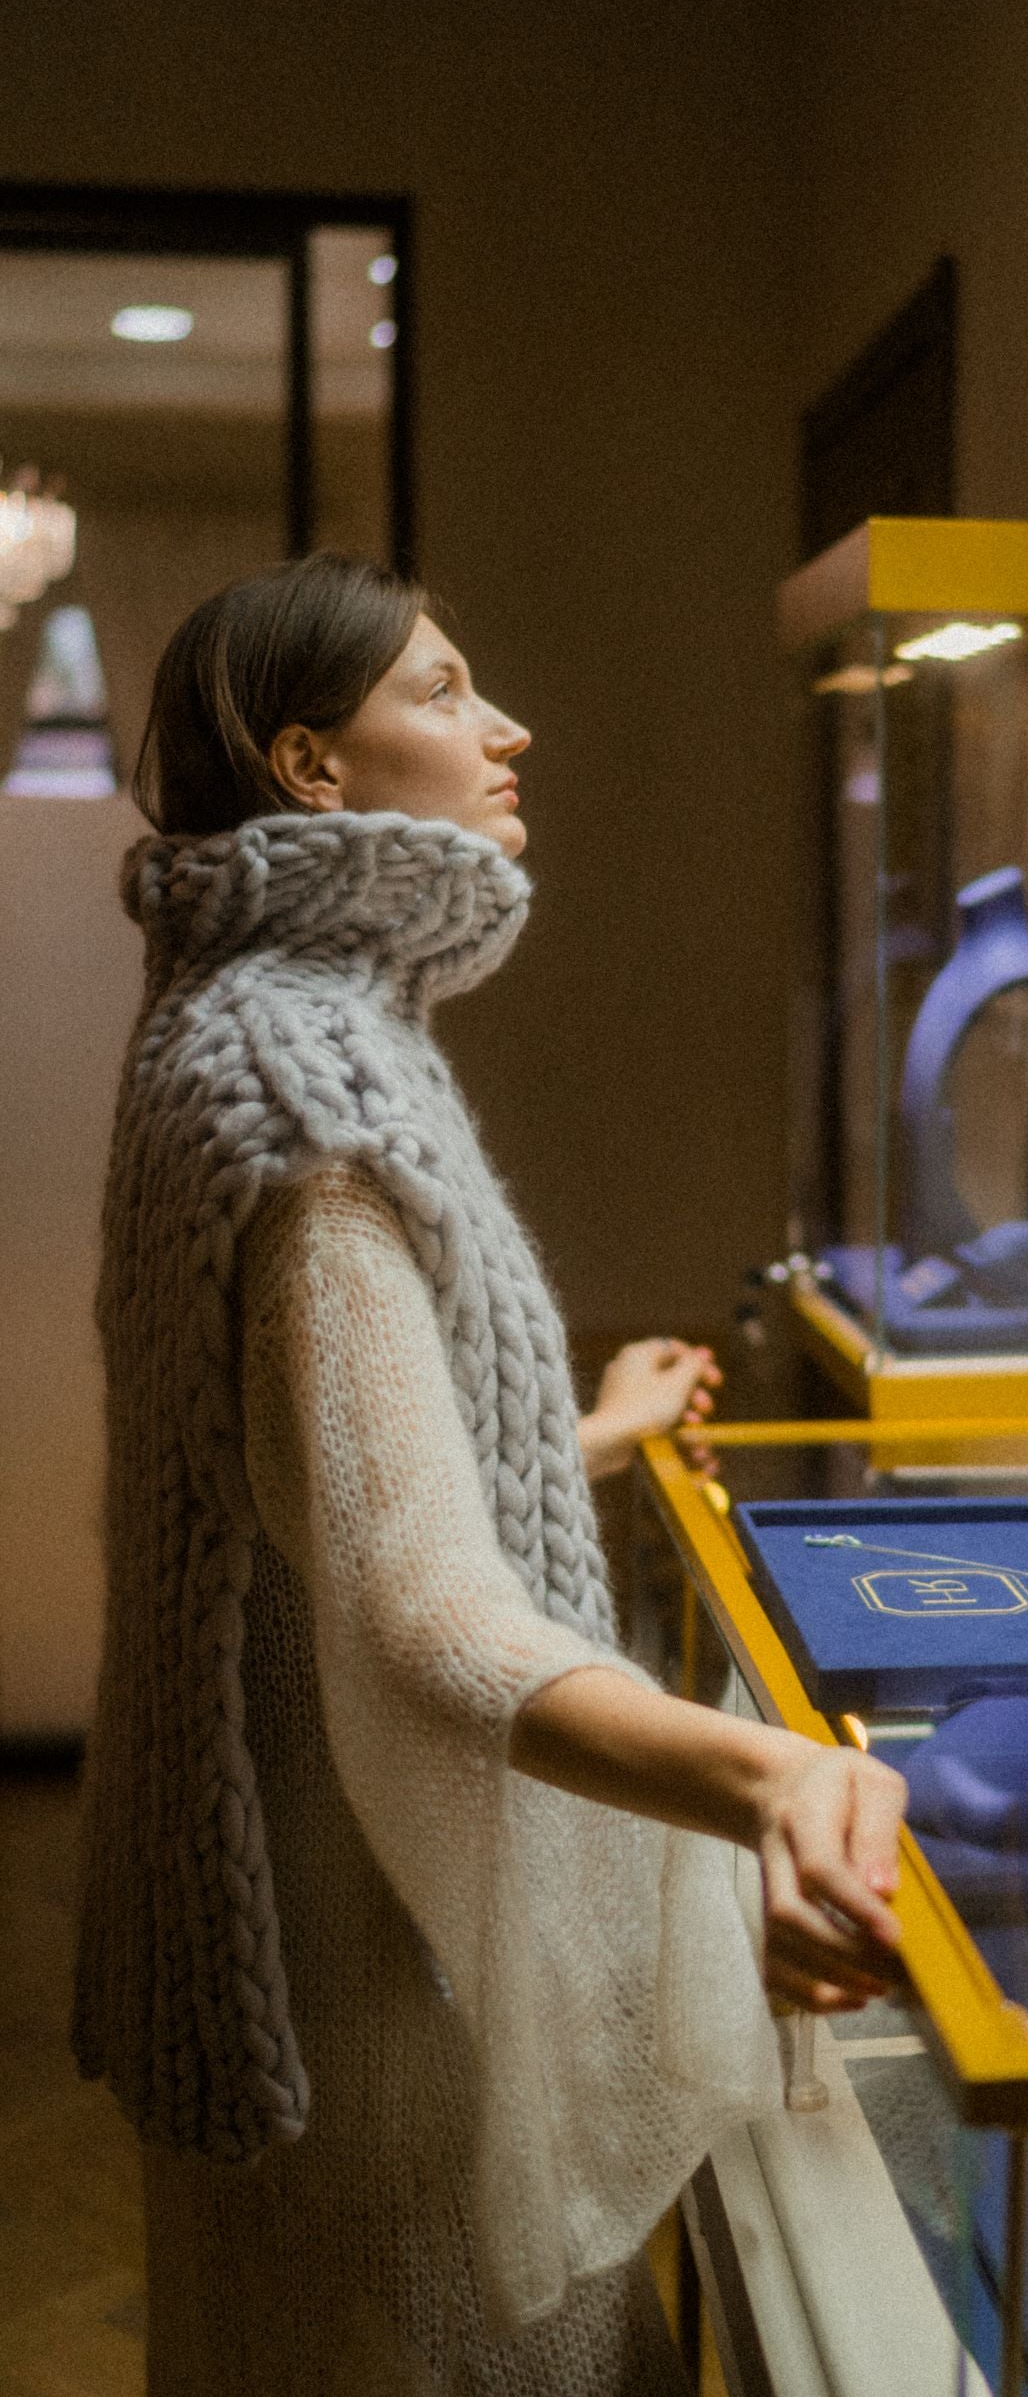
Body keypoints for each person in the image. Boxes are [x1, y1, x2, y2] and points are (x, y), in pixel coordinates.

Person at [73, 554, 909, 2394]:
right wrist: (775, 1778)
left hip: (308, 1883)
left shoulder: (257, 1019)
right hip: (373, 1956)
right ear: (311, 764)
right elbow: (419, 1612)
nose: (506, 726)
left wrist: (585, 1429)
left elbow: (294, 1463)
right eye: (444, 691)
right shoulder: (308, 1093)